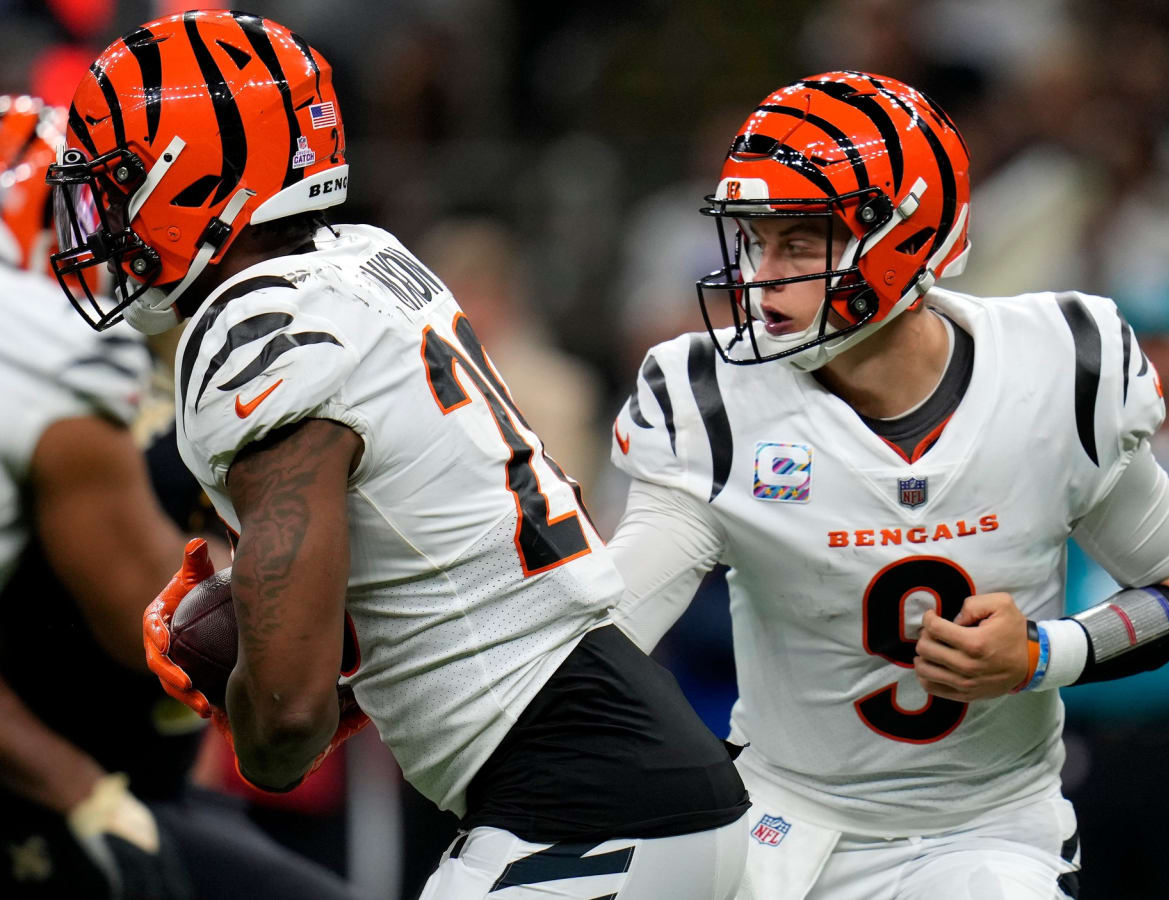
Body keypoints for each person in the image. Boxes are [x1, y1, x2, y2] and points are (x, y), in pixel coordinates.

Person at [45, 11, 750, 899]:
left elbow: (284, 732)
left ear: (197, 177)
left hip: (583, 815)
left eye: (121, 185)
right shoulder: (369, 263)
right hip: (633, 778)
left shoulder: (257, 332)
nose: (101, 221)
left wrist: (251, 685)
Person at [606, 70, 1169, 900]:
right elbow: (610, 623)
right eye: (753, 240)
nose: (759, 277)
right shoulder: (713, 399)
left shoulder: (1059, 368)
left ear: (902, 237)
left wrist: (1044, 654)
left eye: (798, 242)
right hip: (779, 820)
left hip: (987, 832)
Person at [0, 95, 363, 899]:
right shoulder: (58, 382)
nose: (110, 235)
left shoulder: (150, 368)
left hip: (139, 772)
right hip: (51, 784)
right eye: (88, 209)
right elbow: (149, 621)